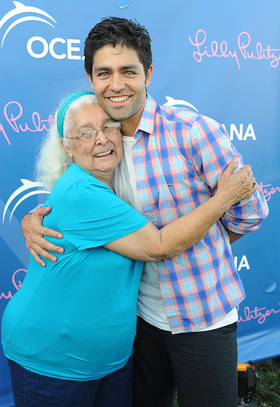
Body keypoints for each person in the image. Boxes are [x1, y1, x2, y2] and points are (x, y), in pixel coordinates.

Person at [20, 18, 269, 407]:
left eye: (128, 72)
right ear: (91, 77)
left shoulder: (193, 131)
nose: (116, 84)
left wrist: (203, 246)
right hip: (139, 321)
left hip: (201, 315)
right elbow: (76, 203)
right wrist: (32, 218)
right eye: (104, 73)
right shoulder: (104, 145)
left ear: (148, 74)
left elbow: (250, 212)